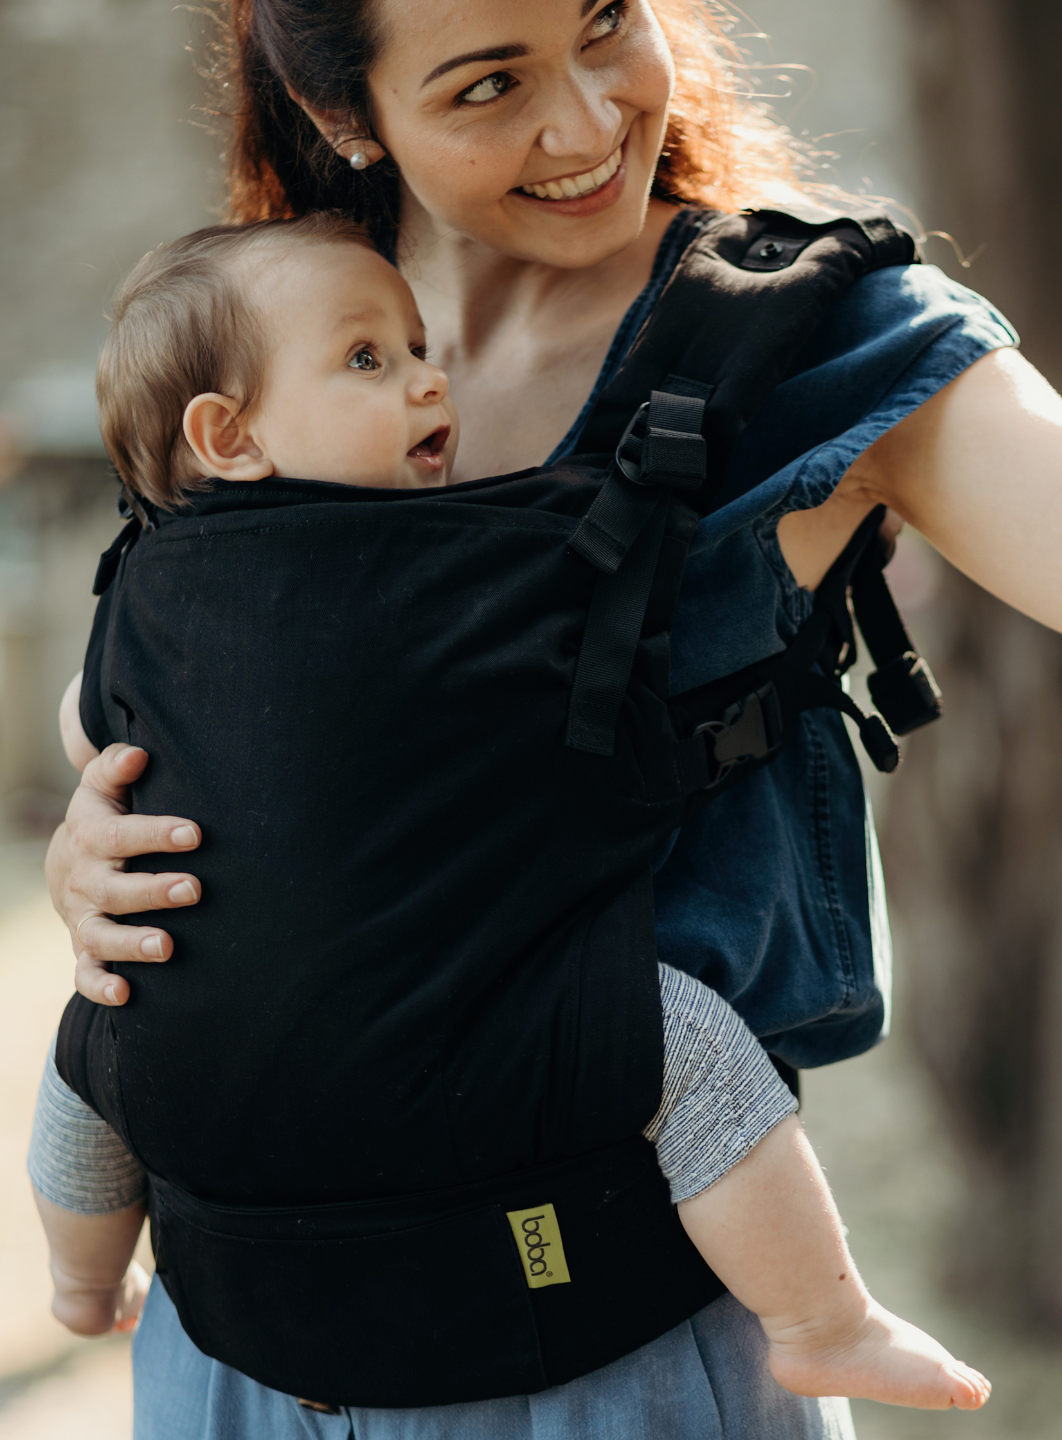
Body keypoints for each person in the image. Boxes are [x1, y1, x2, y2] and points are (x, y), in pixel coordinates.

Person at [42, 0, 1062, 1433]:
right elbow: (165, 669)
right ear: (346, 114)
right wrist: (95, 834)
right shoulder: (264, 327)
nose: (588, 124)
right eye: (487, 86)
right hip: (231, 1358)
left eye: (605, 24)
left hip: (606, 1362)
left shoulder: (804, 347)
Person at [30, 210, 991, 1414]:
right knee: (686, 1050)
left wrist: (104, 806)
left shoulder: (146, 582)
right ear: (227, 436)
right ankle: (821, 1318)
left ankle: (78, 1281)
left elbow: (95, 729)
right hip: (477, 1014)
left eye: (416, 345)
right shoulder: (476, 558)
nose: (429, 378)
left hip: (212, 1041)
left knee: (95, 1049)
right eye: (370, 360)